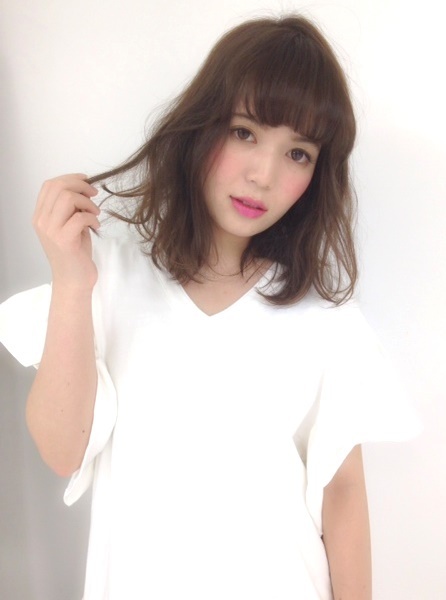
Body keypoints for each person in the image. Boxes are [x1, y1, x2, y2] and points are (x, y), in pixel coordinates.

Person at [0, 14, 420, 600]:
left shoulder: (324, 321)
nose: (263, 174)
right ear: (200, 126)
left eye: (298, 153)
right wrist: (72, 283)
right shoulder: (106, 279)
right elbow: (61, 449)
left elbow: (343, 494)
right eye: (245, 132)